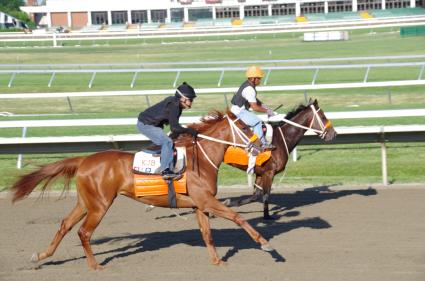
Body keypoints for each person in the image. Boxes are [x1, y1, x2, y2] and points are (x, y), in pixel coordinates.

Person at [137, 82, 198, 180]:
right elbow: (174, 128)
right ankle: (165, 171)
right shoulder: (174, 105)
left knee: (171, 141)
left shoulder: (177, 105)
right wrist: (189, 131)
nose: (191, 102)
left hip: (154, 125)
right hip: (146, 124)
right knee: (167, 142)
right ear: (183, 98)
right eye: (190, 99)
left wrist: (185, 132)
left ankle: (167, 163)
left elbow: (175, 127)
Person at [230, 65, 277, 150]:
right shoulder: (249, 89)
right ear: (253, 79)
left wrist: (265, 107)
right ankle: (261, 144)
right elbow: (254, 107)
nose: (260, 80)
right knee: (257, 122)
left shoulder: (248, 85)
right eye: (258, 78)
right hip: (239, 112)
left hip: (238, 110)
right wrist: (267, 111)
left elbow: (255, 100)